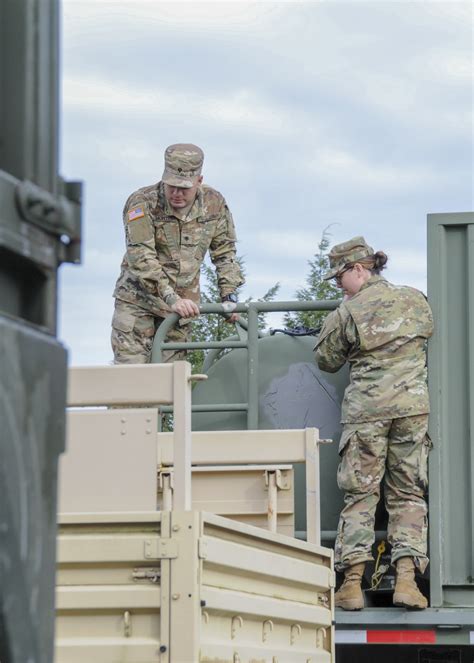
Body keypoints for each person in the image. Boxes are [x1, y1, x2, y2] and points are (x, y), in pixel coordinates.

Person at [314, 236, 433, 611]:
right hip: (412, 410)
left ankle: (351, 586)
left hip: (367, 413)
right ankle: (408, 584)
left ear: (358, 270)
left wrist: (342, 313)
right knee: (408, 495)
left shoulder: (348, 312)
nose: (338, 286)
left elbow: (326, 360)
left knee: (361, 496)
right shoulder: (416, 298)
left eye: (339, 278)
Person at [111, 143, 244, 363]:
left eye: (184, 188)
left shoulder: (214, 204)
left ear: (199, 181)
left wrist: (228, 296)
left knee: (170, 387)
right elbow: (141, 255)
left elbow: (225, 253)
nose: (176, 193)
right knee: (131, 384)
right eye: (171, 185)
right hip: (138, 303)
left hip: (180, 312)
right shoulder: (142, 202)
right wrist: (171, 298)